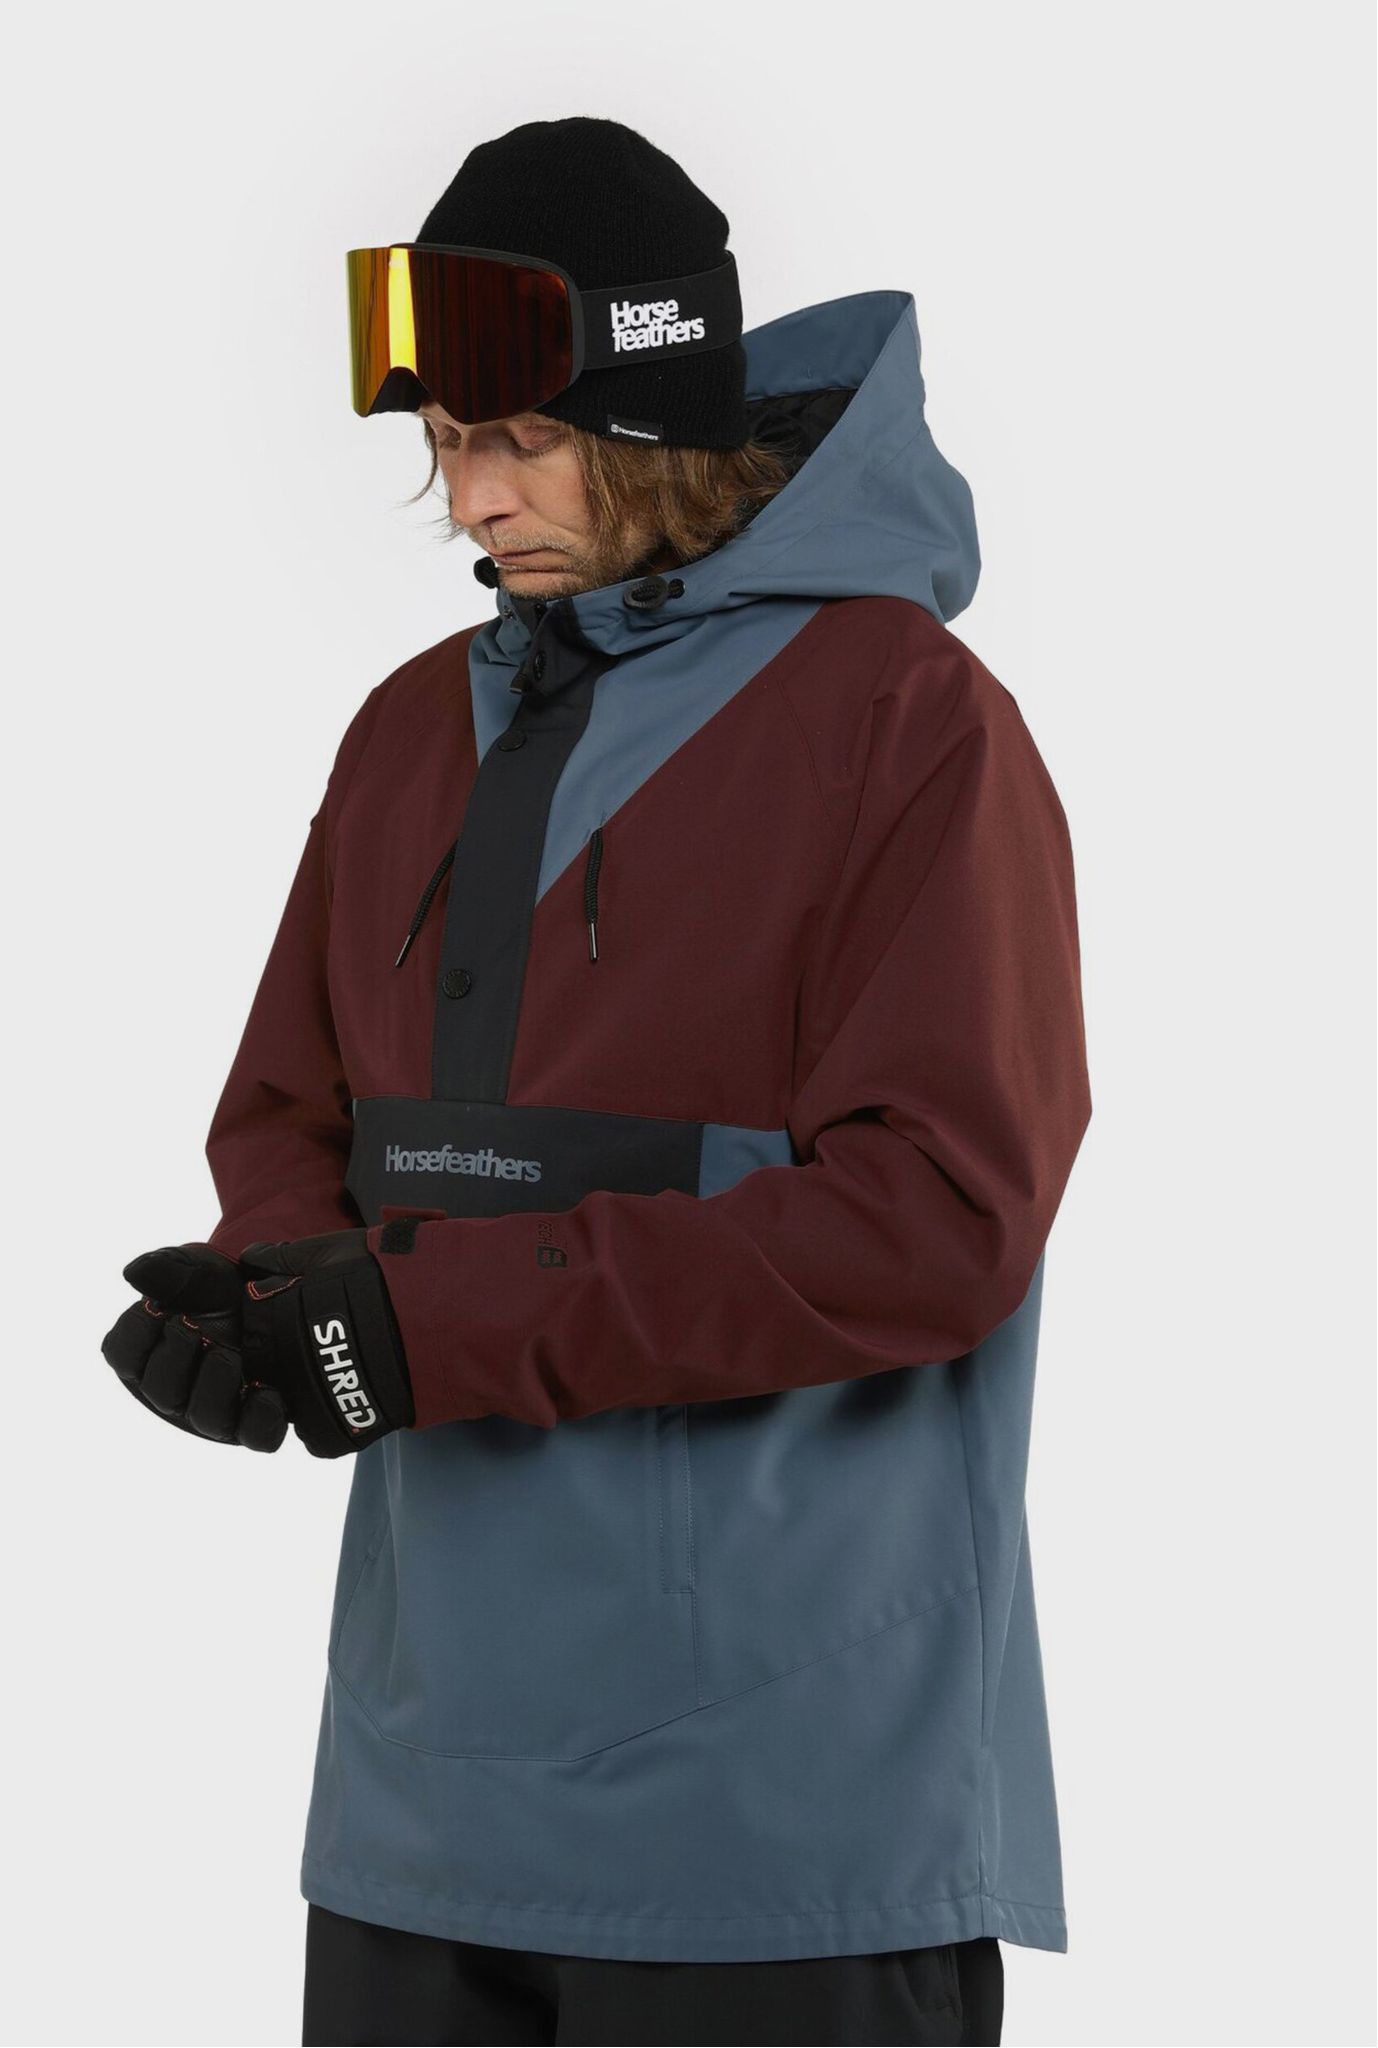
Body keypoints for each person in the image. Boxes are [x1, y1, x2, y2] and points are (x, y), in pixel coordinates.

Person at [102, 116, 1092, 2048]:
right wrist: (278, 1307)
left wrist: (422, 1323)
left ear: (653, 423)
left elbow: (940, 1219)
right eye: (442, 444)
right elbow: (292, 1118)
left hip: (781, 1822)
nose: (474, 500)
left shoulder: (907, 723)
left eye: (521, 440)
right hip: (417, 1814)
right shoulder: (413, 727)